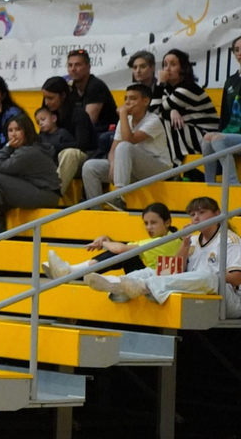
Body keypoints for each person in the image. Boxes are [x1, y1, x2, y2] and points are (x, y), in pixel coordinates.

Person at [81, 197, 240, 319]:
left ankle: (143, 286)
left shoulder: (229, 240)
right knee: (154, 270)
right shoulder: (192, 239)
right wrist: (184, 243)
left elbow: (236, 278)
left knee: (207, 276)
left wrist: (205, 276)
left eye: (202, 212)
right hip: (198, 288)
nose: (196, 218)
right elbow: (176, 267)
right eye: (192, 214)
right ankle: (117, 284)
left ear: (217, 214)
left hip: (229, 298)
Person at [82, 83, 171, 208]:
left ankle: (119, 196)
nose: (128, 103)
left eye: (133, 99)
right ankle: (96, 210)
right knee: (90, 166)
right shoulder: (125, 120)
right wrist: (113, 163)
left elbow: (129, 140)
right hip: (132, 168)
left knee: (124, 146)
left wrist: (122, 114)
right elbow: (113, 150)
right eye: (126, 99)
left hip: (158, 167)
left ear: (145, 101)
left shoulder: (153, 119)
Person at [45, 203, 182, 282]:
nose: (148, 227)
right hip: (150, 275)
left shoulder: (167, 241)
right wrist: (107, 239)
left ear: (168, 222)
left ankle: (71, 271)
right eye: (146, 223)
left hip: (156, 280)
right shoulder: (161, 238)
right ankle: (73, 272)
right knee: (127, 254)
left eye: (153, 223)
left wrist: (104, 242)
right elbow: (123, 248)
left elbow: (121, 250)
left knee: (125, 254)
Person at [154, 48, 220, 167]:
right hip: (189, 133)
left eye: (173, 64)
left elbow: (154, 111)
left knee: (165, 122)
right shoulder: (167, 90)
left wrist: (160, 83)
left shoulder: (187, 89)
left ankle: (174, 165)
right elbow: (154, 112)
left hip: (206, 135)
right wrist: (171, 112)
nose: (167, 68)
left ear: (183, 69)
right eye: (165, 65)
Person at [201, 34, 241, 185]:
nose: (239, 53)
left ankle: (232, 183)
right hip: (233, 136)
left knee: (218, 138)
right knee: (207, 139)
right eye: (236, 50)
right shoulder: (231, 81)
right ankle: (209, 184)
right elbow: (224, 116)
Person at [67, 48, 119, 150]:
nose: (73, 69)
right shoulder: (71, 88)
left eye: (78, 65)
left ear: (88, 67)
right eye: (70, 65)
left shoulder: (95, 86)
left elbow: (88, 122)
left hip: (105, 132)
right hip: (87, 133)